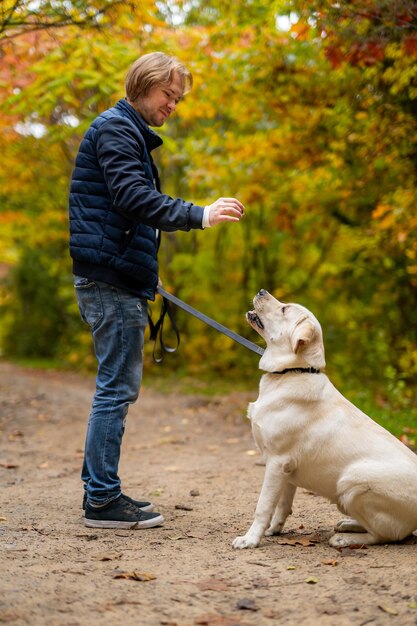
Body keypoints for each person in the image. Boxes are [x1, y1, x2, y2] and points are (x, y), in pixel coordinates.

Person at [69, 51, 245, 529]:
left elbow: (121, 214)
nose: (173, 105)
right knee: (116, 388)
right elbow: (133, 199)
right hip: (108, 281)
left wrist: (148, 273)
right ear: (144, 85)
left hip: (116, 276)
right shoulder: (115, 129)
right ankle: (102, 501)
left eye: (178, 98)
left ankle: (99, 490)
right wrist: (201, 214)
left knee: (114, 386)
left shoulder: (125, 132)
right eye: (169, 95)